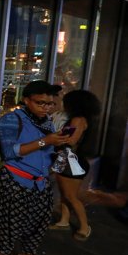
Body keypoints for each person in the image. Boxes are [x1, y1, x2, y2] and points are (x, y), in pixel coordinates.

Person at [0, 80, 70, 255]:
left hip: (41, 181)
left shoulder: (47, 123)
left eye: (50, 104)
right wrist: (47, 141)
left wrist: (60, 149)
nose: (46, 108)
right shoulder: (11, 119)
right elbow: (10, 152)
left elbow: (48, 151)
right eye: (40, 103)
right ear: (27, 100)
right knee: (10, 223)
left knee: (39, 222)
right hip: (14, 180)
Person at [49, 90, 102, 240]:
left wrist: (53, 137)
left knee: (71, 196)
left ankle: (85, 227)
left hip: (71, 161)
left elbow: (72, 141)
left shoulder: (78, 119)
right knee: (65, 194)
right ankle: (63, 222)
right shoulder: (81, 118)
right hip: (65, 159)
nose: (64, 104)